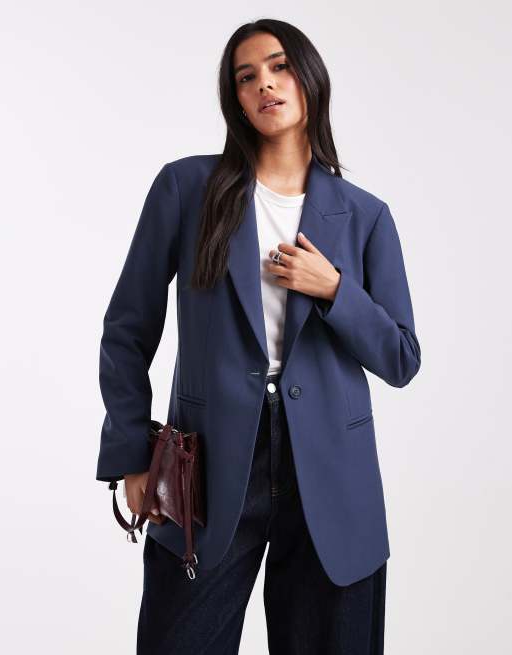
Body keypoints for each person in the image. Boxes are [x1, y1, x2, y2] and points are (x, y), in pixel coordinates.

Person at [96, 18, 421, 655]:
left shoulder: (365, 215)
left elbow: (402, 357)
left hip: (332, 475)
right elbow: (127, 328)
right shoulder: (187, 189)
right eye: (246, 78)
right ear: (237, 100)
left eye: (279, 67)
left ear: (309, 79)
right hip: (207, 470)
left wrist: (335, 290)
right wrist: (131, 454)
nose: (265, 85)